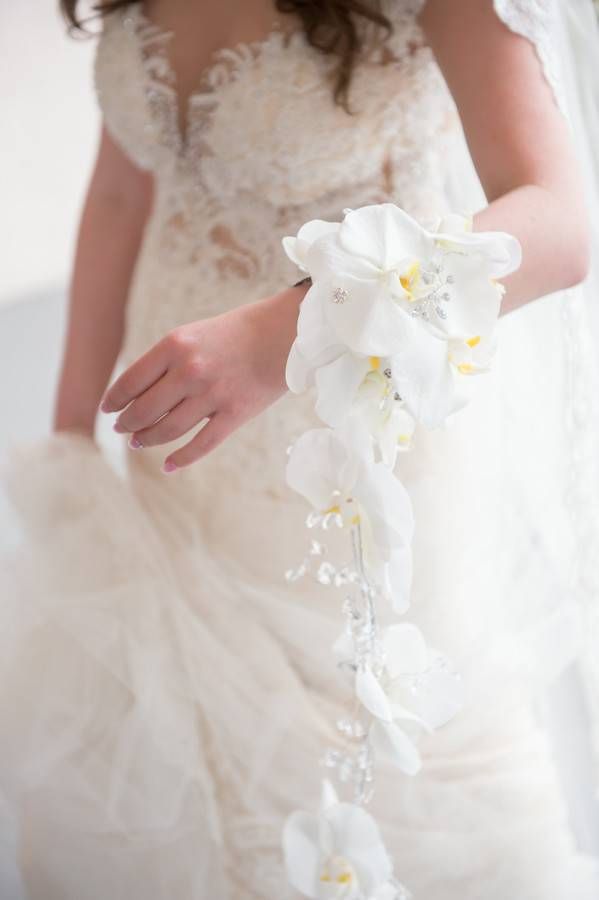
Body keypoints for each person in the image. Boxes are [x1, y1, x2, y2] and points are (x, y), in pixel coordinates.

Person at [2, 1, 599, 897]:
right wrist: (70, 440)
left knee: (387, 767)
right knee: (185, 753)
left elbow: (559, 225)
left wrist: (295, 326)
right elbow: (125, 189)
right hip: (174, 439)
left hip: (354, 455)